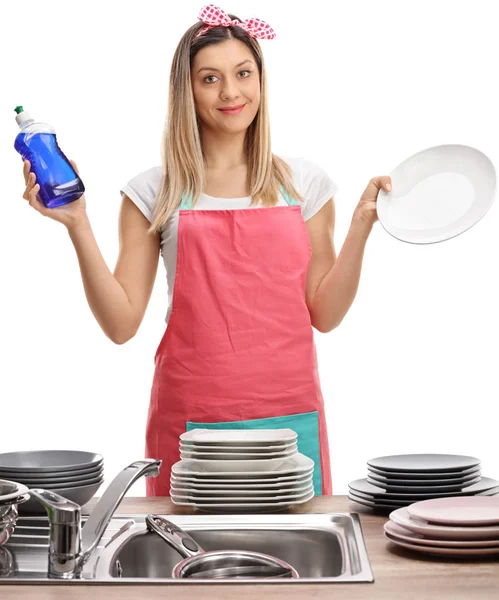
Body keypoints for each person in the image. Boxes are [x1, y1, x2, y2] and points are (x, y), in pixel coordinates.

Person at [21, 4, 392, 497]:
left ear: (261, 80)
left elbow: (323, 313)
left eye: (243, 73)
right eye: (210, 79)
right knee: (185, 563)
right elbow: (120, 324)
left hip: (290, 421)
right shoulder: (153, 192)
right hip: (190, 421)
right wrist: (77, 224)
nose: (231, 92)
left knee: (299, 565)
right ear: (186, 90)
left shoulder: (304, 184)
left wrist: (362, 227)